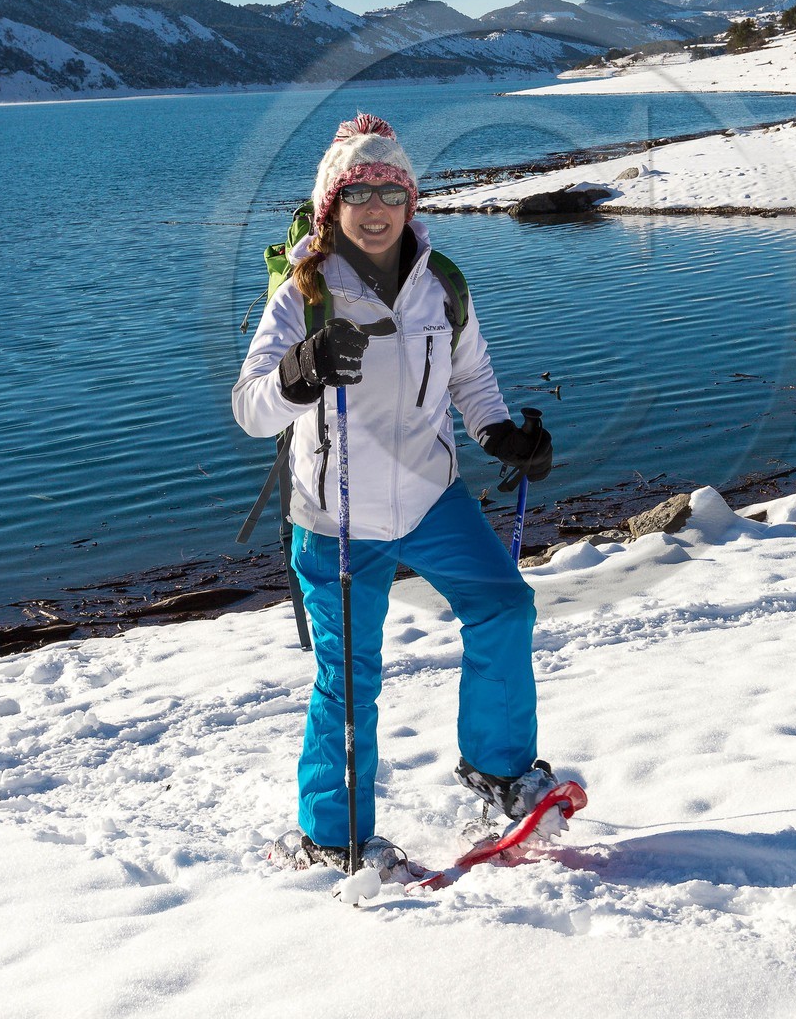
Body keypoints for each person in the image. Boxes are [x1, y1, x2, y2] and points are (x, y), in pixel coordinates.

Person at [232, 112, 560, 876]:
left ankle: (502, 771)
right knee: (350, 674)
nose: (376, 206)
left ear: (411, 203)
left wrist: (500, 434)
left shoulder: (440, 283)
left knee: (504, 606)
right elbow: (251, 409)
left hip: (430, 494)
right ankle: (334, 835)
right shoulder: (303, 294)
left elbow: (469, 377)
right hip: (335, 513)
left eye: (391, 190)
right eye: (359, 192)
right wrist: (300, 372)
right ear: (332, 207)